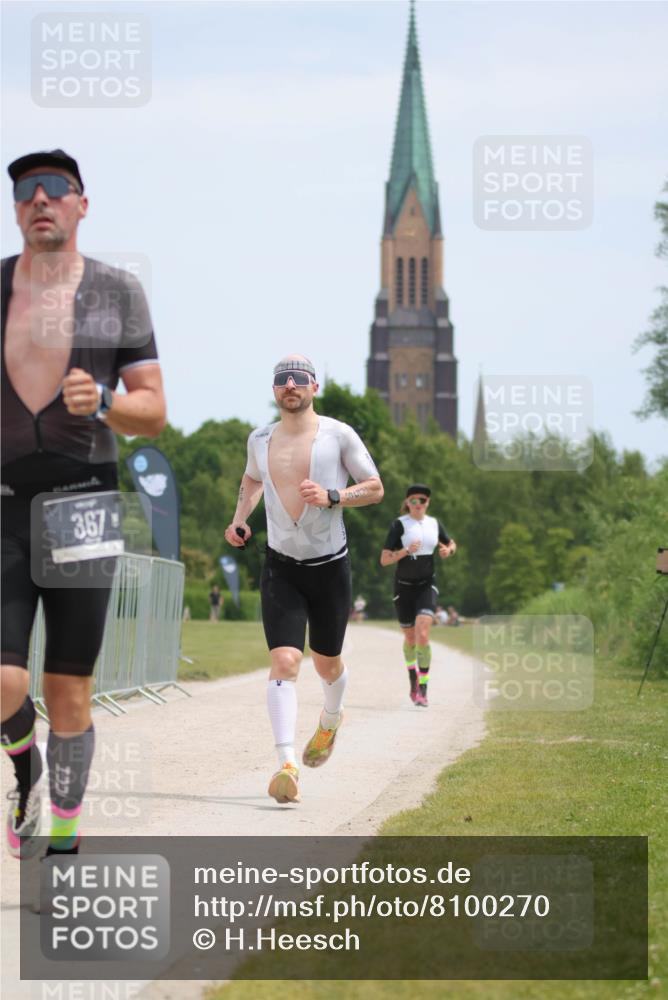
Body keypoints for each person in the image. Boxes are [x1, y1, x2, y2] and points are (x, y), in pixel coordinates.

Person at [1, 149, 166, 860]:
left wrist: (103, 402)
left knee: (69, 691)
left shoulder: (116, 292)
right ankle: (23, 767)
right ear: (16, 209)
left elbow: (153, 410)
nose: (40, 199)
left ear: (81, 203)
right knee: (4, 678)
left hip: (84, 501)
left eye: (55, 189)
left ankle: (62, 838)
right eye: (25, 191)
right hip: (3, 499)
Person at [224, 355, 383, 804]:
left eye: (298, 380)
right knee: (285, 662)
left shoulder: (339, 434)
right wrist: (239, 520)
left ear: (314, 386)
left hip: (330, 568)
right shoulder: (259, 439)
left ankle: (331, 719)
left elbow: (374, 487)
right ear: (274, 391)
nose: (289, 386)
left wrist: (333, 496)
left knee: (326, 663)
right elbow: (252, 480)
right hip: (281, 566)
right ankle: (287, 764)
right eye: (281, 381)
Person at [380, 484, 456, 707]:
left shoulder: (434, 524)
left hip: (426, 586)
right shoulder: (399, 525)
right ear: (407, 503)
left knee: (422, 635)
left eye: (422, 500)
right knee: (410, 638)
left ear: (427, 503)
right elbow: (384, 559)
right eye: (413, 500)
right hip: (403, 588)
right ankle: (413, 680)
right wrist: (405, 552)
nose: (418, 504)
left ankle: (423, 688)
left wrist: (448, 550)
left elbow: (451, 543)